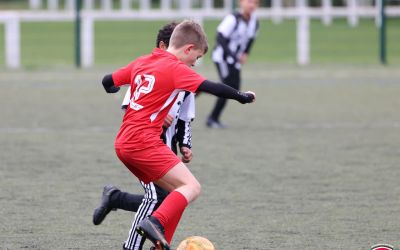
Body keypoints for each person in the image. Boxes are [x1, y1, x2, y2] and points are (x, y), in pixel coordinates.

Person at [101, 20, 256, 250]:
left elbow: (108, 81)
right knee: (192, 187)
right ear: (188, 49)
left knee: (176, 192)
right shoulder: (176, 68)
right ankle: (154, 222)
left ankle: (159, 245)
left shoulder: (143, 61)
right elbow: (212, 87)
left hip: (123, 143)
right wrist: (241, 96)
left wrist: (113, 88)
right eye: (196, 57)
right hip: (144, 142)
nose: (195, 63)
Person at [94, 22, 196, 250]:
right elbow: (130, 107)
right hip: (142, 146)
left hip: (165, 152)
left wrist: (185, 144)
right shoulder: (147, 72)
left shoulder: (187, 79)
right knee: (154, 198)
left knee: (168, 197)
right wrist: (157, 117)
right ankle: (131, 247)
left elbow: (186, 117)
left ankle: (116, 198)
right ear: (165, 46)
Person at [206, 0, 260, 128]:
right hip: (222, 58)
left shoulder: (255, 22)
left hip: (234, 60)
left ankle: (204, 87)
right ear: (241, 2)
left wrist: (245, 53)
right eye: (249, 1)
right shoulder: (233, 18)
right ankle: (213, 118)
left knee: (235, 87)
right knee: (228, 86)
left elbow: (251, 39)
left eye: (255, 2)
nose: (252, 5)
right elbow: (220, 37)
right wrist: (231, 55)